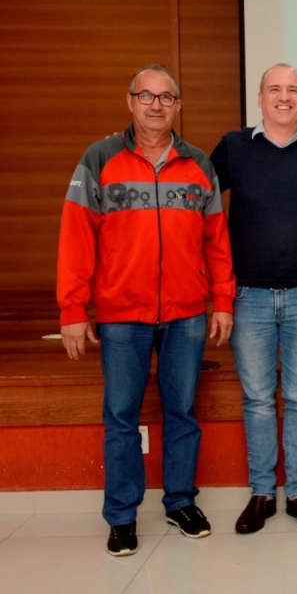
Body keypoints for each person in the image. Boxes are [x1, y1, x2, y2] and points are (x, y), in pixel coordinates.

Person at [57, 63, 235, 556]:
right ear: (130, 101)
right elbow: (75, 239)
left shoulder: (199, 164)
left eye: (167, 98)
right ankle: (121, 515)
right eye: (147, 96)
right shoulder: (98, 159)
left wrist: (222, 300)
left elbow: (217, 243)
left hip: (186, 314)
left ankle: (180, 501)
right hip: (121, 315)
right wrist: (73, 308)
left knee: (183, 411)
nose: (157, 105)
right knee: (120, 415)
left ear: (178, 107)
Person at [210, 64, 297, 533]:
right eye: (275, 89)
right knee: (258, 399)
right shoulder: (235, 146)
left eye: (293, 90)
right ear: (259, 98)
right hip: (249, 297)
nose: (284, 97)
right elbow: (193, 188)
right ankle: (262, 491)